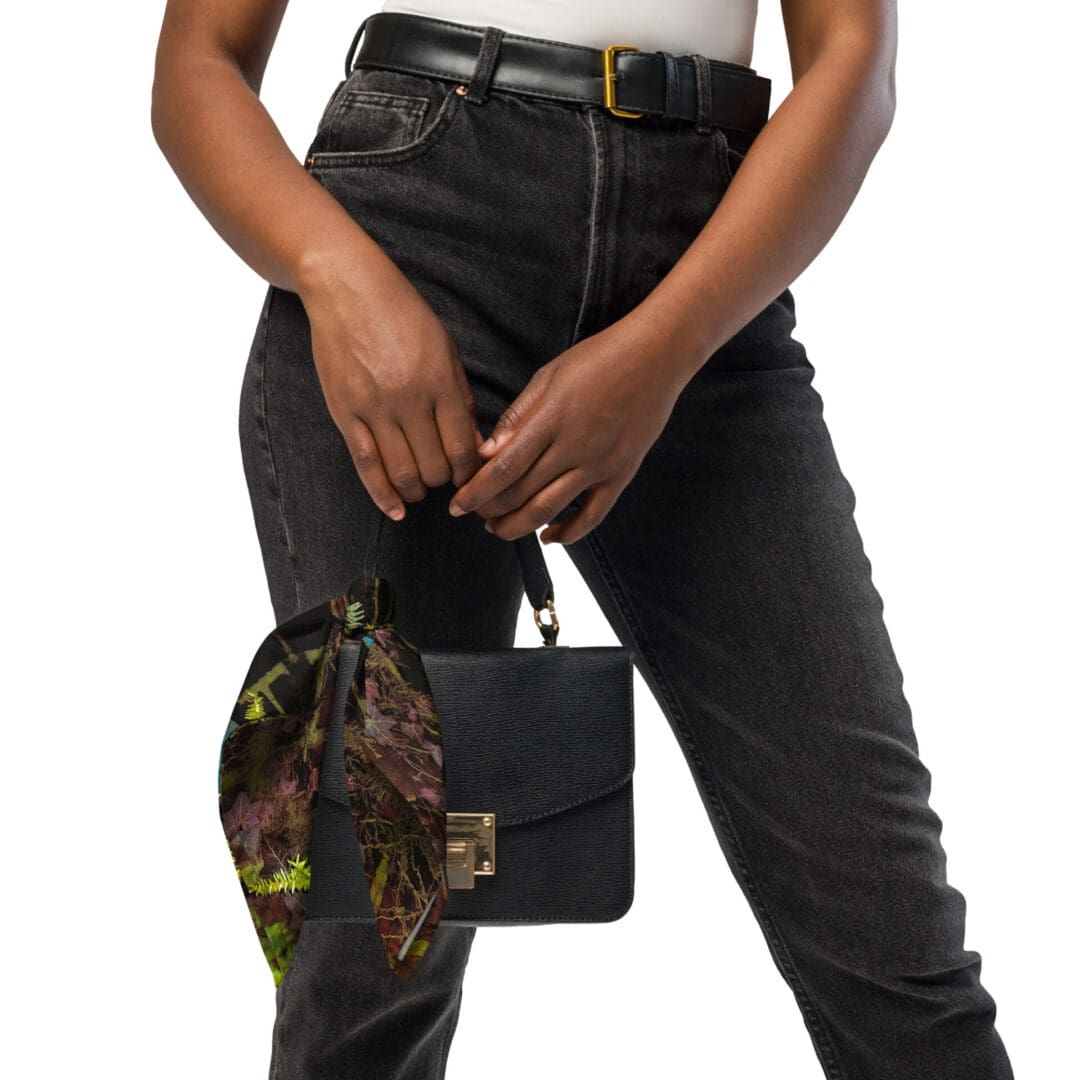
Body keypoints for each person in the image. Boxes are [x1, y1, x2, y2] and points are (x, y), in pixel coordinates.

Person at [151, 3, 1016, 1078]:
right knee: (376, 960)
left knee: (888, 931)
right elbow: (197, 62)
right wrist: (336, 276)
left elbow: (852, 60)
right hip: (410, 260)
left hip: (710, 271)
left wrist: (665, 350)